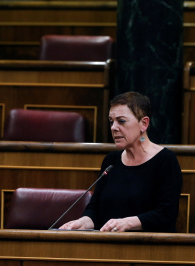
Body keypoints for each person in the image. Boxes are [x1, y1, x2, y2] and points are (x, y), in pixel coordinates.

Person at [60, 91, 182, 232]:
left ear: (144, 123)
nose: (113, 127)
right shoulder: (111, 161)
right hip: (110, 248)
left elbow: (166, 214)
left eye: (121, 121)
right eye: (112, 121)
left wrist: (128, 223)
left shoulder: (165, 161)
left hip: (151, 248)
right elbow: (95, 209)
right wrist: (83, 222)